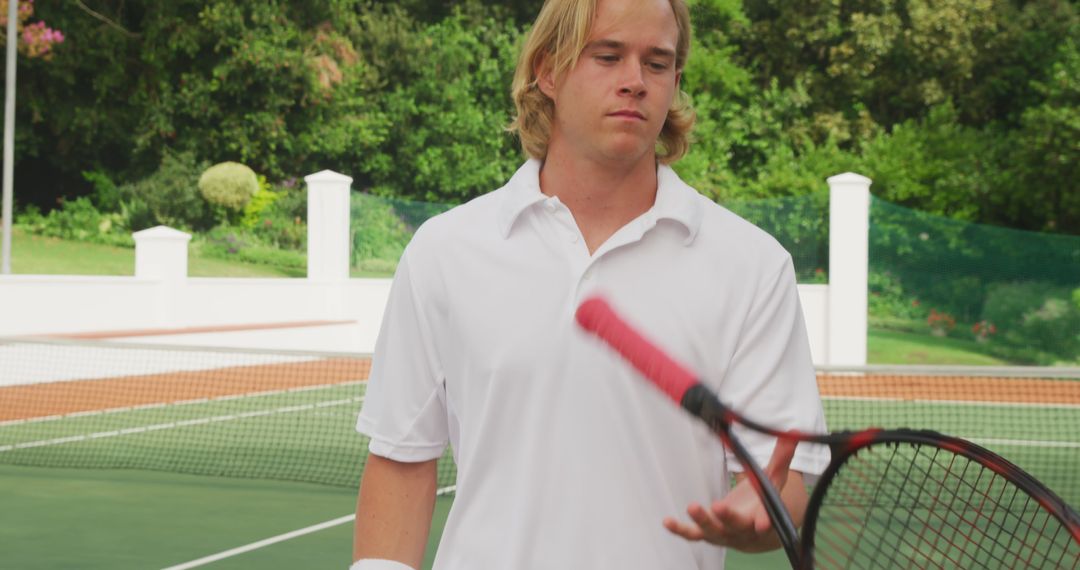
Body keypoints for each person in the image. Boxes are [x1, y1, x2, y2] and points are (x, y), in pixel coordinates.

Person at [351, 0, 829, 568]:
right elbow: (402, 459)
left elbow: (786, 477)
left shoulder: (753, 265)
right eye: (608, 56)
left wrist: (766, 511)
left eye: (657, 63)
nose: (635, 81)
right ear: (548, 71)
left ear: (675, 81)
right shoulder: (445, 250)